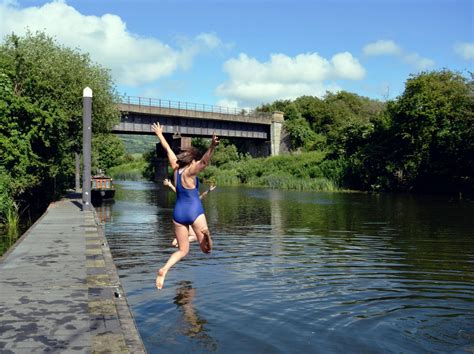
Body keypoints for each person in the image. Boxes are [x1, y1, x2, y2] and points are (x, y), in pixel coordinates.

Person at [152, 122, 219, 289]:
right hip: (194, 212)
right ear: (191, 162)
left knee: (182, 251)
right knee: (207, 250)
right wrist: (212, 146)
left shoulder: (176, 168)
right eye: (194, 161)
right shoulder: (190, 171)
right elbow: (204, 161)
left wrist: (160, 134)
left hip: (178, 214)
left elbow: (168, 149)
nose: (195, 163)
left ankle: (164, 269)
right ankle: (207, 235)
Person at [163, 178, 216, 248]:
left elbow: (202, 196)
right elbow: (201, 196)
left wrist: (170, 185)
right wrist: (208, 191)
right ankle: (179, 241)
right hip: (189, 217)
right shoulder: (192, 198)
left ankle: (177, 241)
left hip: (180, 216)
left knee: (191, 236)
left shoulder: (188, 197)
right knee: (194, 237)